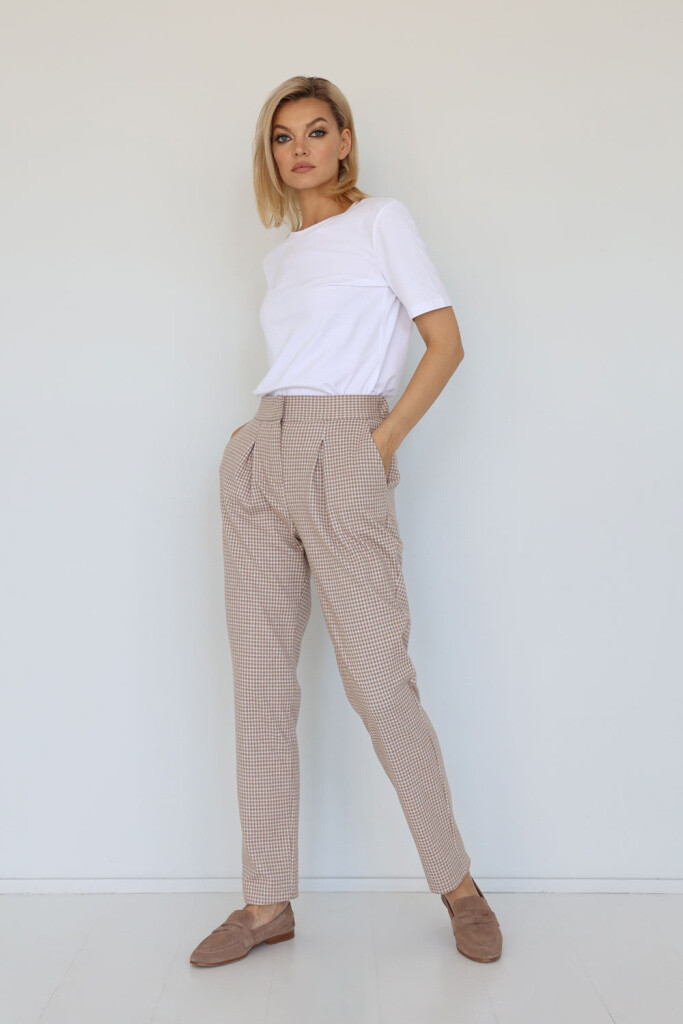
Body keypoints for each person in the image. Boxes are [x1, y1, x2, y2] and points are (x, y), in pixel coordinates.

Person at [190, 76, 502, 967]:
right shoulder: (283, 255)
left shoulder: (381, 222)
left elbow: (445, 342)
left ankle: (459, 886)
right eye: (283, 136)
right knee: (260, 690)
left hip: (344, 447)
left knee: (378, 684)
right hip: (263, 452)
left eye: (316, 131)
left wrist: (380, 442)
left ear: (345, 142)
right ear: (271, 153)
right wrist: (259, 442)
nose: (299, 149)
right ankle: (265, 905)